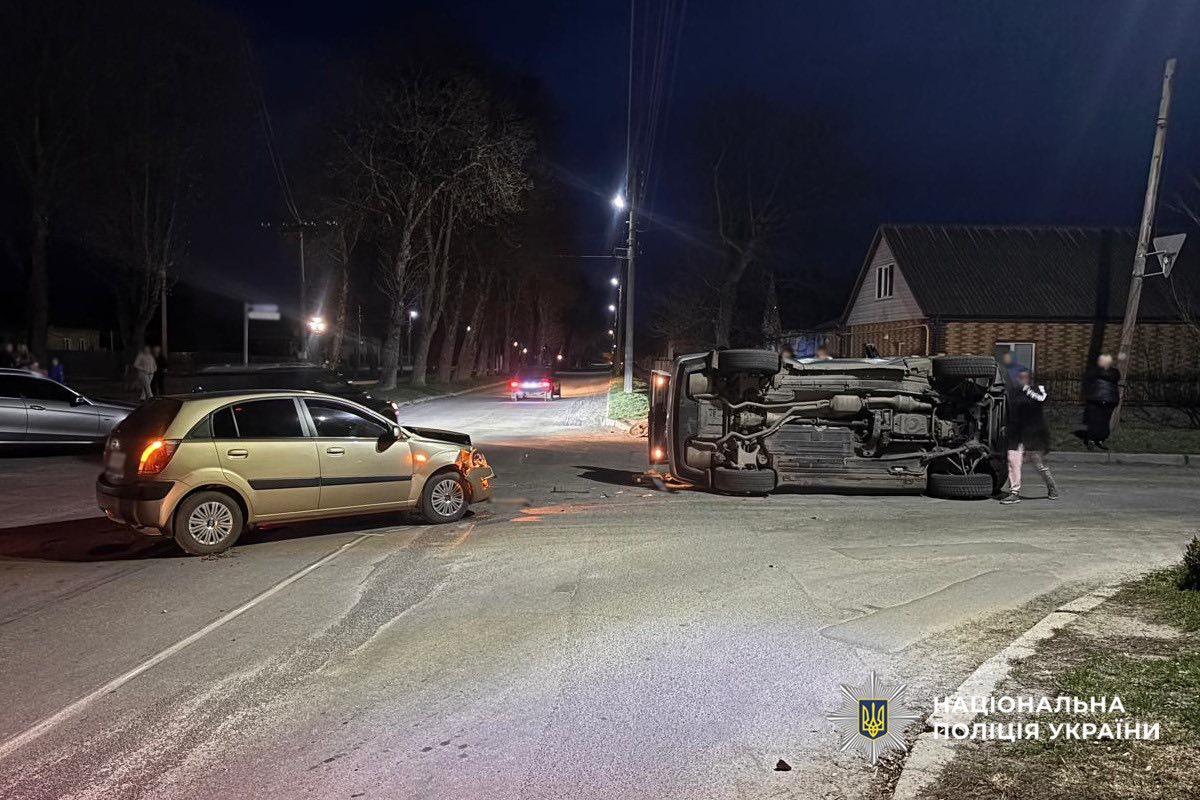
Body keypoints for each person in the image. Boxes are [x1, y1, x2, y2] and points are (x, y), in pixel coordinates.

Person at [1001, 368, 1058, 504]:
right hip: (1016, 432)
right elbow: (1010, 410)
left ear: (1029, 378)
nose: (1021, 380)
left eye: (1024, 377)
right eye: (1019, 377)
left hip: (1033, 433)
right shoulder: (1014, 392)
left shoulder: (1038, 389)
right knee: (1013, 461)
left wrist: (1027, 389)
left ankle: (1051, 486)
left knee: (1039, 464)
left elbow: (1042, 399)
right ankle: (1014, 492)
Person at [1079, 353, 1119, 451]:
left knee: (1093, 420)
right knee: (1104, 421)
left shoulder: (1094, 372)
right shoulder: (1114, 372)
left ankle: (1091, 439)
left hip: (1094, 399)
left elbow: (1087, 382)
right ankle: (1100, 439)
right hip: (1109, 400)